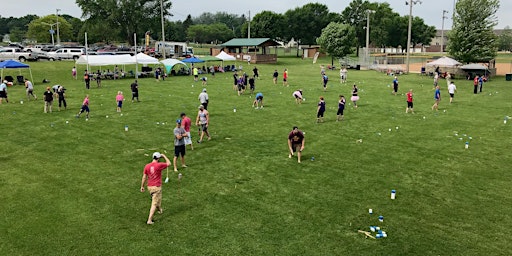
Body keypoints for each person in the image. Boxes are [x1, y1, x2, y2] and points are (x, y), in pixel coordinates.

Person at [140, 152, 171, 225]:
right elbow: (169, 163)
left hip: (150, 187)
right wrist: (164, 156)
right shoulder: (159, 165)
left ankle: (160, 210)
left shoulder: (147, 166)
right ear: (159, 158)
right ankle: (149, 220)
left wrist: (142, 186)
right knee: (154, 203)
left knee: (157, 199)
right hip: (156, 187)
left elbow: (144, 177)